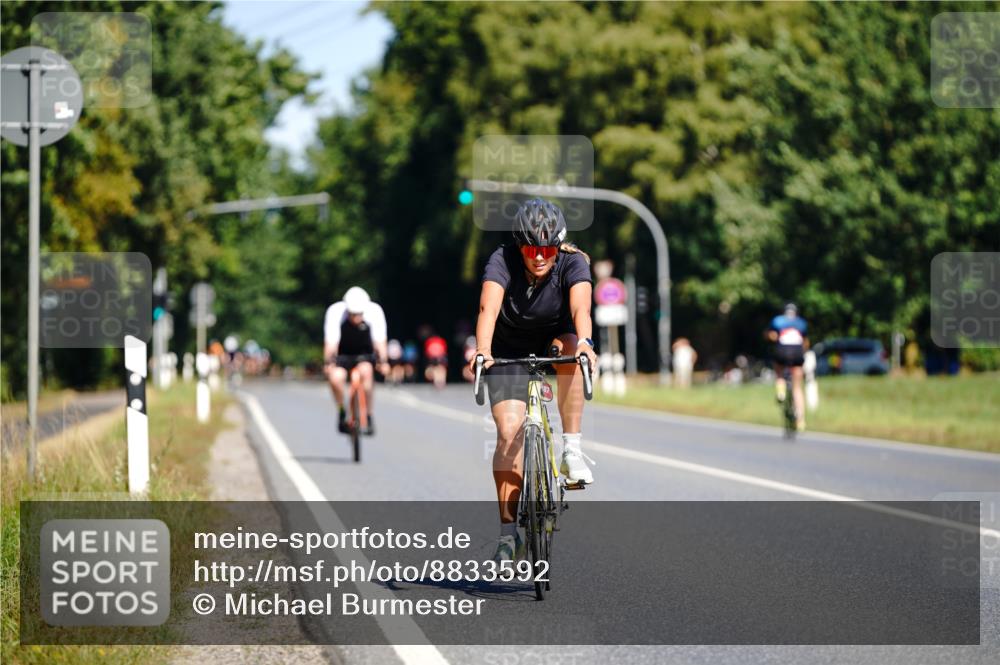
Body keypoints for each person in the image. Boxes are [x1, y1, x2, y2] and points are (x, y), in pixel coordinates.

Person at [468, 198, 598, 563]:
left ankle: (571, 449)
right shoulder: (502, 259)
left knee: (573, 345)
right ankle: (509, 536)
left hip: (553, 343)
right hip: (507, 349)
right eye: (530, 248)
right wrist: (482, 350)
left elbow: (580, 310)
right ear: (519, 245)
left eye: (546, 249)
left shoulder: (573, 262)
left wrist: (586, 344)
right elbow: (487, 309)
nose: (538, 256)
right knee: (509, 432)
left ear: (557, 246)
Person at [323, 287, 389, 435]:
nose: (355, 318)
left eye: (358, 314)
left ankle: (369, 414)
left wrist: (383, 362)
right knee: (335, 378)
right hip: (343, 353)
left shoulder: (374, 311)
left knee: (366, 372)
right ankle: (341, 410)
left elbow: (379, 341)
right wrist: (328, 363)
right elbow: (331, 343)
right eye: (352, 314)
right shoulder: (335, 312)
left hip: (364, 353)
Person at [766, 302, 809, 431]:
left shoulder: (777, 321)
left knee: (778, 369)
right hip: (797, 352)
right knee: (797, 387)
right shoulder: (801, 323)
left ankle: (781, 391)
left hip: (782, 351)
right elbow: (805, 342)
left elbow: (771, 335)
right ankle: (801, 420)